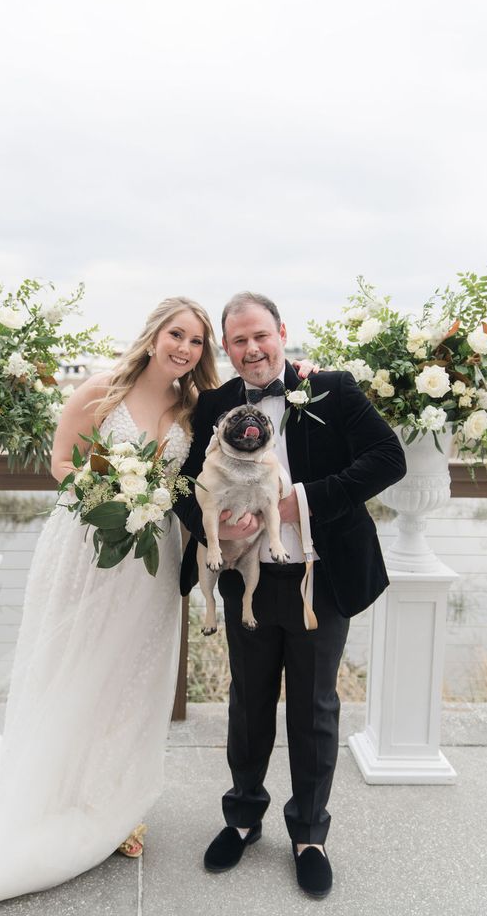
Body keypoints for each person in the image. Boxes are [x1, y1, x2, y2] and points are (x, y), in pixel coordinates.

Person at [0, 297, 220, 915]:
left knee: (131, 679)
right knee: (74, 667)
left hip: (152, 559)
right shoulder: (101, 390)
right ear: (154, 335)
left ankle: (115, 804)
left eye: (197, 342)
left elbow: (196, 483)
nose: (185, 348)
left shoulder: (194, 412)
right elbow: (62, 462)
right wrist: (110, 495)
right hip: (86, 545)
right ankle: (53, 794)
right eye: (178, 334)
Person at [175, 291, 406, 900]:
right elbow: (183, 486)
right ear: (226, 349)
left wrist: (298, 501)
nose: (252, 350)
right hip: (245, 578)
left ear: (281, 332)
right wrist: (214, 529)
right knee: (247, 704)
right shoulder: (217, 405)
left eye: (261, 336)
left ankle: (309, 834)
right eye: (239, 341)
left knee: (313, 710)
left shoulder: (331, 388)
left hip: (318, 579)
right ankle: (243, 818)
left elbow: (389, 458)